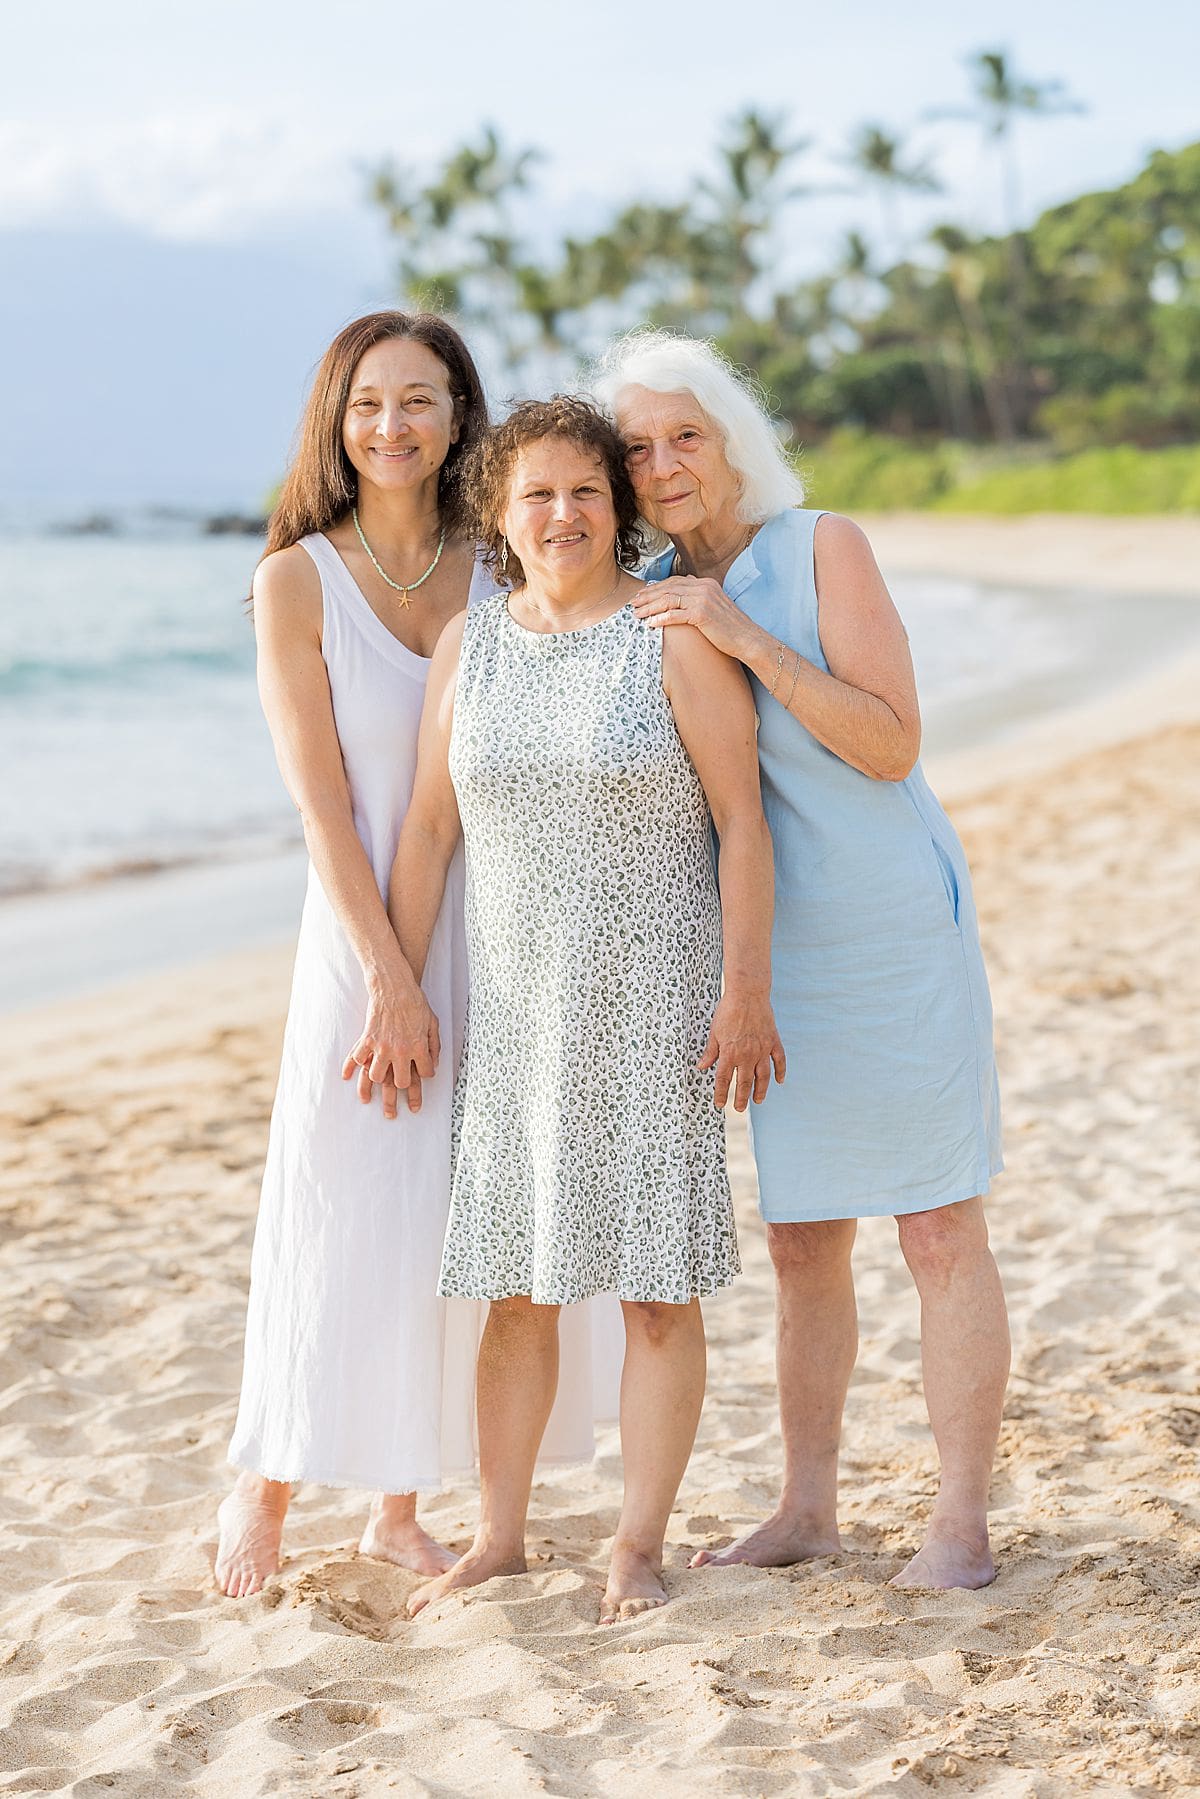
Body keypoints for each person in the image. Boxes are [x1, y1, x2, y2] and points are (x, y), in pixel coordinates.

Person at [597, 330, 1009, 1591]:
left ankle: (961, 1521)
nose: (664, 464)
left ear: (732, 439)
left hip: (890, 927)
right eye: (637, 446)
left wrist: (741, 634)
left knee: (936, 1224)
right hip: (770, 950)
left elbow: (890, 743)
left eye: (686, 434)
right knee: (801, 1240)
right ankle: (809, 1507)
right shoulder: (642, 591)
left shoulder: (824, 547)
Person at [216, 313, 603, 1599]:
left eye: (420, 400)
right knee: (342, 1197)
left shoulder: (500, 565)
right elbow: (323, 805)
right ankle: (266, 1474)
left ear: (458, 416)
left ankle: (397, 1508)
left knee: (449, 1215)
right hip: (360, 939)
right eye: (369, 402)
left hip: (499, 936)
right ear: (337, 421)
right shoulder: (296, 580)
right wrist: (386, 975)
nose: (394, 425)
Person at [385, 396, 782, 1623]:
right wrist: (396, 987)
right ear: (500, 515)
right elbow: (429, 830)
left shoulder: (670, 635)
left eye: (585, 491)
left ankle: (637, 1545)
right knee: (518, 1288)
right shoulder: (470, 646)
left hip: (656, 1012)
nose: (563, 513)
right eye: (538, 494)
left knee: (657, 1289)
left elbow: (742, 820)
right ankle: (499, 1536)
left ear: (617, 507)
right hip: (514, 1020)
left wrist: (746, 990)